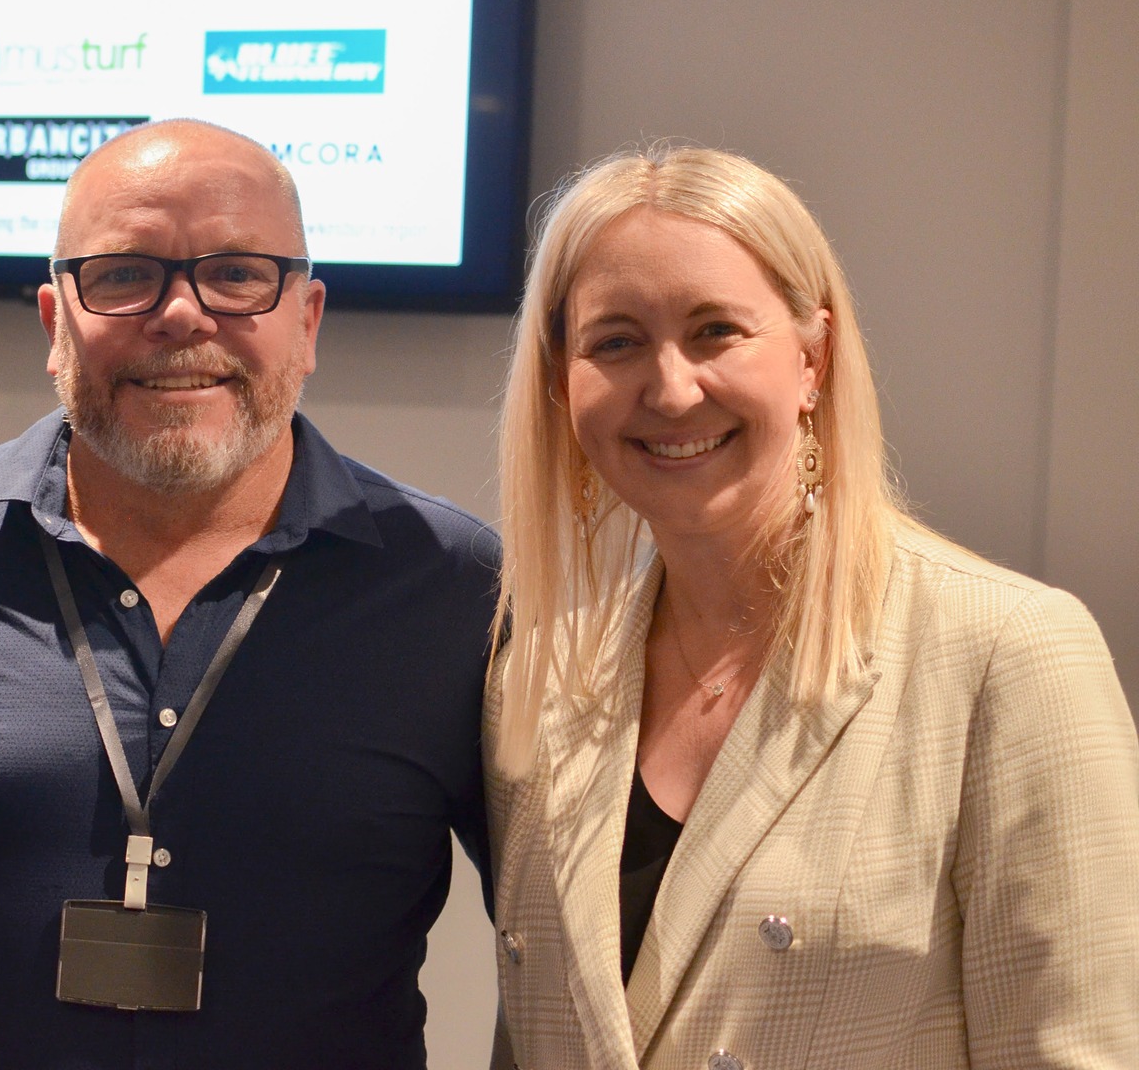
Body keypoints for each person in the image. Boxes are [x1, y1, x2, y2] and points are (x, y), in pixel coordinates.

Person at [0, 120, 500, 1070]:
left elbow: (554, 937)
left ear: (308, 321)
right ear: (55, 323)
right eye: (124, 275)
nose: (181, 315)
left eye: (238, 274)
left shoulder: (456, 588)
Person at [485, 144, 1139, 1068]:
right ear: (563, 382)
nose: (671, 388)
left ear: (812, 358)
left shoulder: (1009, 653)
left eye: (715, 330)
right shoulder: (540, 679)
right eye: (616, 342)